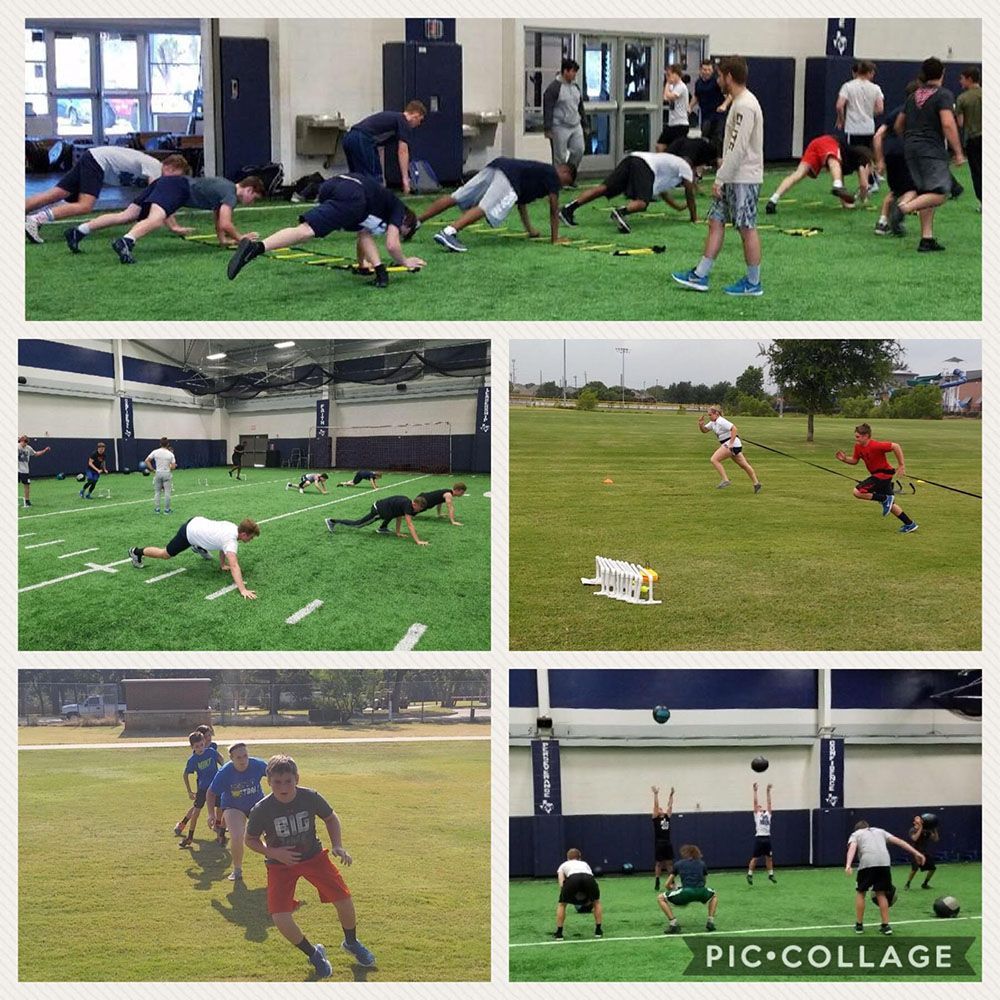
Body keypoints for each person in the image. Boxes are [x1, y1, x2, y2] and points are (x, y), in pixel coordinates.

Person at [245, 754, 376, 976]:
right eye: (277, 782)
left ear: (297, 778)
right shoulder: (262, 808)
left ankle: (351, 942)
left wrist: (337, 846)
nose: (283, 787)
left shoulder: (310, 797)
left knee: (343, 899)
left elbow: (331, 818)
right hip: (280, 865)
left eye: (288, 781)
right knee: (280, 917)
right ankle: (314, 954)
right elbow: (250, 839)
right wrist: (272, 851)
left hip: (314, 857)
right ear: (268, 781)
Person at [226, 173, 423, 288]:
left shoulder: (375, 208)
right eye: (403, 231)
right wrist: (405, 261)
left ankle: (380, 275)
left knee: (354, 228)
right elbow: (392, 244)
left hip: (333, 186)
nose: (397, 231)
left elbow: (363, 236)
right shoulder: (397, 208)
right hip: (353, 194)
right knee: (305, 232)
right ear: (407, 220)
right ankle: (256, 248)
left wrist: (365, 265)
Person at [671, 56, 764, 296]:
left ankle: (753, 283)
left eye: (720, 76)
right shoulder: (739, 102)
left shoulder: (745, 105)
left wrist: (720, 179)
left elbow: (737, 147)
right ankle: (700, 275)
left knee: (746, 227)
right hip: (732, 176)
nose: (718, 80)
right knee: (715, 221)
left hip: (743, 177)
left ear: (729, 77)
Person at [64, 172, 264, 264]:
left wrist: (222, 239)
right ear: (248, 189)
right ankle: (126, 241)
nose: (251, 202)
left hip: (169, 183)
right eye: (253, 197)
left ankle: (79, 231)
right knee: (156, 219)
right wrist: (242, 239)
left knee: (128, 215)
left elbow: (218, 216)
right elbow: (225, 222)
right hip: (177, 187)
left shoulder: (226, 188)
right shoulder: (230, 192)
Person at [25, 151, 190, 244]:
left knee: (56, 194)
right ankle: (35, 220)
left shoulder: (154, 168)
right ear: (169, 167)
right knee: (85, 205)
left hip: (93, 157)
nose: (175, 181)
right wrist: (173, 226)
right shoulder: (155, 167)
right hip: (97, 161)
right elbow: (161, 200)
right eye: (177, 176)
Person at [419, 158, 575, 253]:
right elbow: (554, 209)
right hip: (509, 175)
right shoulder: (552, 175)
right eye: (565, 182)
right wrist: (555, 238)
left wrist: (530, 230)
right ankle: (448, 232)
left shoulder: (538, 178)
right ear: (565, 172)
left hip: (497, 165)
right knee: (485, 207)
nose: (561, 186)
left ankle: (415, 222)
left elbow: (521, 204)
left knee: (457, 196)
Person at [892, 57, 965, 252]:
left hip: (911, 148)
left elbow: (899, 124)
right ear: (942, 73)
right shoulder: (943, 95)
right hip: (931, 149)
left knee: (926, 191)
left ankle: (926, 239)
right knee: (941, 192)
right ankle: (902, 209)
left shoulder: (913, 96)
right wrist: (958, 152)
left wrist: (910, 140)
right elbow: (948, 124)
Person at [558, 152, 697, 233]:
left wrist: (679, 207)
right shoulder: (685, 167)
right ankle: (620, 212)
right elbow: (689, 192)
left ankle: (568, 209)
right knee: (642, 203)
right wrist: (694, 217)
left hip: (633, 158)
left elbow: (663, 193)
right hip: (644, 165)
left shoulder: (670, 166)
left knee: (604, 188)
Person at [127, 515, 260, 599]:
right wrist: (242, 590)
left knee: (213, 542)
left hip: (197, 521)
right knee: (165, 554)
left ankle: (198, 546)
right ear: (243, 534)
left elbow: (222, 547)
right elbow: (235, 566)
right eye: (251, 537)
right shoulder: (231, 541)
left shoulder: (232, 527)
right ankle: (136, 552)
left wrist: (222, 565)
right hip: (188, 532)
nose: (251, 539)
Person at [845, 819, 926, 935]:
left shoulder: (856, 834)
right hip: (884, 862)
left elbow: (852, 847)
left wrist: (848, 864)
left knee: (861, 892)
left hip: (868, 862)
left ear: (857, 829)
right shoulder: (880, 831)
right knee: (881, 893)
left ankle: (859, 925)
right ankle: (886, 926)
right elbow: (900, 841)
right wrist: (916, 853)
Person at [835, 423, 918, 534]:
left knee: (857, 492)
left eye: (858, 437)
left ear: (866, 436)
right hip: (878, 476)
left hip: (883, 475)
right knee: (890, 505)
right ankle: (909, 524)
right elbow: (855, 460)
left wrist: (901, 465)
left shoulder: (875, 445)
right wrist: (844, 459)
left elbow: (895, 446)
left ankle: (885, 499)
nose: (856, 439)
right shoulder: (858, 447)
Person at [206, 742, 269, 881]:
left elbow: (274, 773)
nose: (243, 760)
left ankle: (272, 858)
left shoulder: (257, 764)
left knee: (270, 833)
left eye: (245, 756)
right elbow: (211, 792)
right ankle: (237, 870)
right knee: (237, 836)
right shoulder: (225, 772)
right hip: (233, 806)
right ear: (232, 758)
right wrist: (211, 814)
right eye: (239, 757)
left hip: (257, 804)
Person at [765, 135, 873, 214]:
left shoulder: (848, 158)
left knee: (798, 174)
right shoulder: (863, 160)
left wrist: (846, 204)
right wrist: (864, 199)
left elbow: (840, 179)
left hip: (815, 143)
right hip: (828, 142)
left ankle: (773, 200)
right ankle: (837, 184)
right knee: (833, 161)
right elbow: (863, 185)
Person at [343, 101, 427, 194]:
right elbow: (403, 151)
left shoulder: (393, 119)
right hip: (362, 138)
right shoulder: (403, 121)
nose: (419, 124)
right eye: (420, 120)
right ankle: (375, 204)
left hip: (349, 137)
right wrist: (405, 180)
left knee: (357, 177)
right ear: (415, 115)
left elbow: (379, 147)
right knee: (373, 178)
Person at [872, 83, 919, 236]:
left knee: (895, 190)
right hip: (908, 153)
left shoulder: (895, 112)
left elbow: (878, 135)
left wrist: (879, 160)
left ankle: (882, 222)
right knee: (914, 189)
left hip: (890, 153)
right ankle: (902, 207)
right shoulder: (919, 113)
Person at [835, 61, 885, 189]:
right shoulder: (875, 88)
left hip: (853, 127)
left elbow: (840, 105)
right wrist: (868, 113)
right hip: (868, 127)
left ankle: (867, 182)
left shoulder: (848, 86)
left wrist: (841, 119)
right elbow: (880, 109)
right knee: (867, 155)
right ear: (868, 72)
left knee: (857, 157)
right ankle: (871, 179)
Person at [177, 731, 224, 849]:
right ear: (192, 747)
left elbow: (220, 758)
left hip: (216, 786)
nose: (200, 748)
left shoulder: (211, 752)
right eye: (196, 746)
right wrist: (189, 791)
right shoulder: (192, 760)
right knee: (196, 813)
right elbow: (185, 774)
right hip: (203, 789)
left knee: (220, 809)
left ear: (204, 743)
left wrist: (222, 770)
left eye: (201, 745)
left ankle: (220, 834)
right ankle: (190, 837)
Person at [698, 406, 761, 492]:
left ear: (716, 413)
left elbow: (734, 428)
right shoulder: (713, 422)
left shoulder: (721, 420)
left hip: (731, 444)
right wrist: (701, 424)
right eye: (708, 415)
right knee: (744, 465)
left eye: (710, 414)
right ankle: (756, 483)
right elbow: (704, 431)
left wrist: (731, 443)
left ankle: (725, 480)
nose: (709, 416)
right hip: (732, 444)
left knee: (714, 459)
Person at [658, 844, 718, 933]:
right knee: (714, 895)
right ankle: (710, 921)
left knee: (660, 898)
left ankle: (673, 923)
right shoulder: (702, 864)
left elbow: (667, 884)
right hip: (701, 892)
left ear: (685, 853)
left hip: (685, 892)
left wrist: (674, 889)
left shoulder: (678, 864)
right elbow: (704, 882)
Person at [325, 495, 429, 545]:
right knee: (358, 524)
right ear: (414, 504)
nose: (419, 511)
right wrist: (418, 541)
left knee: (392, 514)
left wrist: (398, 532)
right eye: (419, 508)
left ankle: (382, 528)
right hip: (378, 510)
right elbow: (410, 524)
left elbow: (399, 516)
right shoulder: (408, 506)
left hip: (385, 509)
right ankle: (332, 521)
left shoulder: (407, 504)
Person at [543, 58, 586, 175]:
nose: (574, 75)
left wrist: (585, 124)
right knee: (560, 156)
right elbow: (548, 108)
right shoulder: (554, 88)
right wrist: (547, 128)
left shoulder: (575, 87)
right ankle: (559, 180)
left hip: (575, 125)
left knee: (579, 150)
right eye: (573, 71)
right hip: (560, 126)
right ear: (565, 71)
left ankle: (569, 175)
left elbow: (580, 106)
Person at [555, 848, 603, 939]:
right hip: (588, 878)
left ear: (567, 858)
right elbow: (591, 879)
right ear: (579, 858)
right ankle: (598, 931)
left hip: (573, 878)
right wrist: (589, 899)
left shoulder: (563, 865)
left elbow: (561, 883)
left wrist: (566, 895)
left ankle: (559, 933)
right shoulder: (585, 864)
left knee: (562, 904)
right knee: (596, 902)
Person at [955, 67, 982, 210]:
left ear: (969, 79)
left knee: (977, 172)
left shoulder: (962, 98)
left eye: (962, 78)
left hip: (973, 139)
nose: (960, 81)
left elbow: (960, 123)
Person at [689, 59, 730, 147]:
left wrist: (724, 105)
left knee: (718, 139)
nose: (706, 72)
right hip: (706, 116)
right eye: (704, 70)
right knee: (705, 138)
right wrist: (690, 106)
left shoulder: (717, 81)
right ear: (700, 70)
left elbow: (730, 95)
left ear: (712, 71)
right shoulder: (698, 83)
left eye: (709, 70)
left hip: (718, 116)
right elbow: (696, 96)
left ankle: (719, 159)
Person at [746, 782, 777, 884]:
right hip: (759, 838)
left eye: (760, 806)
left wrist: (768, 791)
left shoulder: (768, 814)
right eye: (758, 807)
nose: (759, 807)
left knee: (769, 858)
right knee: (755, 858)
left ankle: (771, 874)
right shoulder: (757, 815)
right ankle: (749, 874)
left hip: (767, 838)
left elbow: (769, 803)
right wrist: (755, 791)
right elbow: (755, 802)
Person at [657, 65, 691, 150]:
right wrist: (668, 85)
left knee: (675, 149)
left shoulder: (681, 86)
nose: (668, 77)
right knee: (660, 145)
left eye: (669, 75)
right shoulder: (673, 86)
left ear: (676, 74)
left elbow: (669, 96)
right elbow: (664, 97)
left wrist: (667, 83)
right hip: (672, 123)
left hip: (680, 124)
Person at [904, 814, 940, 890]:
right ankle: (907, 884)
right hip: (915, 852)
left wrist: (934, 829)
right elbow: (915, 839)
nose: (918, 821)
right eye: (916, 820)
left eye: (919, 820)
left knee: (933, 869)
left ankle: (925, 884)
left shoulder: (926, 831)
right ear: (914, 822)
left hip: (924, 852)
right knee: (914, 869)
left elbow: (935, 839)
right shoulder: (912, 830)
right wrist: (920, 828)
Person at [651, 785, 675, 891]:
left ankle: (672, 881)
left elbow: (670, 805)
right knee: (659, 863)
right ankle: (657, 880)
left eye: (661, 808)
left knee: (669, 863)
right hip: (659, 843)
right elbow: (656, 806)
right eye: (659, 809)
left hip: (667, 843)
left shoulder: (667, 817)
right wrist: (656, 794)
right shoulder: (655, 818)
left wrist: (671, 794)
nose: (661, 809)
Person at [145, 436, 177, 514]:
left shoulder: (155, 452)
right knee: (167, 492)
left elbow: (147, 461)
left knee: (157, 492)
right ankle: (167, 510)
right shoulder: (170, 454)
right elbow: (173, 467)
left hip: (158, 473)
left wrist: (152, 469)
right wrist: (171, 467)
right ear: (168, 444)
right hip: (166, 473)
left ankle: (157, 509)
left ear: (160, 444)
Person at [18, 434, 51, 508]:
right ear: (21, 440)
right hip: (16, 469)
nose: (25, 443)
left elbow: (36, 454)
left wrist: (44, 450)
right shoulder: (17, 447)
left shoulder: (28, 448)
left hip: (25, 470)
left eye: (26, 442)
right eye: (24, 441)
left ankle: (27, 501)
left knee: (27, 485)